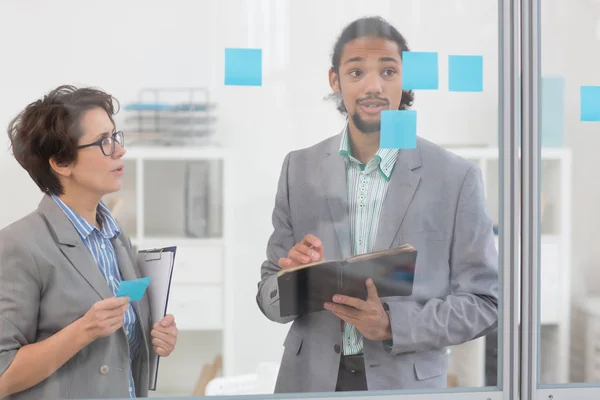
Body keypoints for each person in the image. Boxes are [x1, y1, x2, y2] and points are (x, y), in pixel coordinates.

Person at [256, 16, 499, 393]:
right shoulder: (298, 169)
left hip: (405, 384)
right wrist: (292, 281)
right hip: (308, 383)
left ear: (407, 78)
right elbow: (269, 299)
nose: (374, 86)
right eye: (356, 72)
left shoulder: (455, 177)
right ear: (335, 80)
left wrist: (392, 324)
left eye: (388, 71)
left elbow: (486, 303)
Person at [0, 85, 178, 399]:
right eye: (103, 143)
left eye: (115, 137)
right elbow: (3, 374)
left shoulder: (115, 236)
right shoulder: (19, 244)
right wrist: (84, 330)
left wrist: (154, 338)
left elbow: (116, 352)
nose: (119, 150)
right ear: (61, 163)